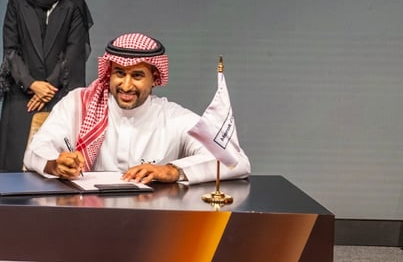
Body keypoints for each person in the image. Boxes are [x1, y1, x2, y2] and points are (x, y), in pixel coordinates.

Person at [23, 32, 251, 184]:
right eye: (119, 73)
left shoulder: (172, 117)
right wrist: (56, 165)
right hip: (87, 215)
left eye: (137, 76)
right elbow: (35, 151)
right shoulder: (78, 104)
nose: (126, 85)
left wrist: (173, 170)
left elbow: (235, 159)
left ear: (154, 78)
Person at [0, 0, 93, 171]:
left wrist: (48, 87)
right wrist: (31, 84)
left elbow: (74, 51)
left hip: (60, 95)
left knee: (58, 167)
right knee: (13, 167)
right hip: (22, 95)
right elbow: (10, 50)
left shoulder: (74, 3)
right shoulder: (17, 1)